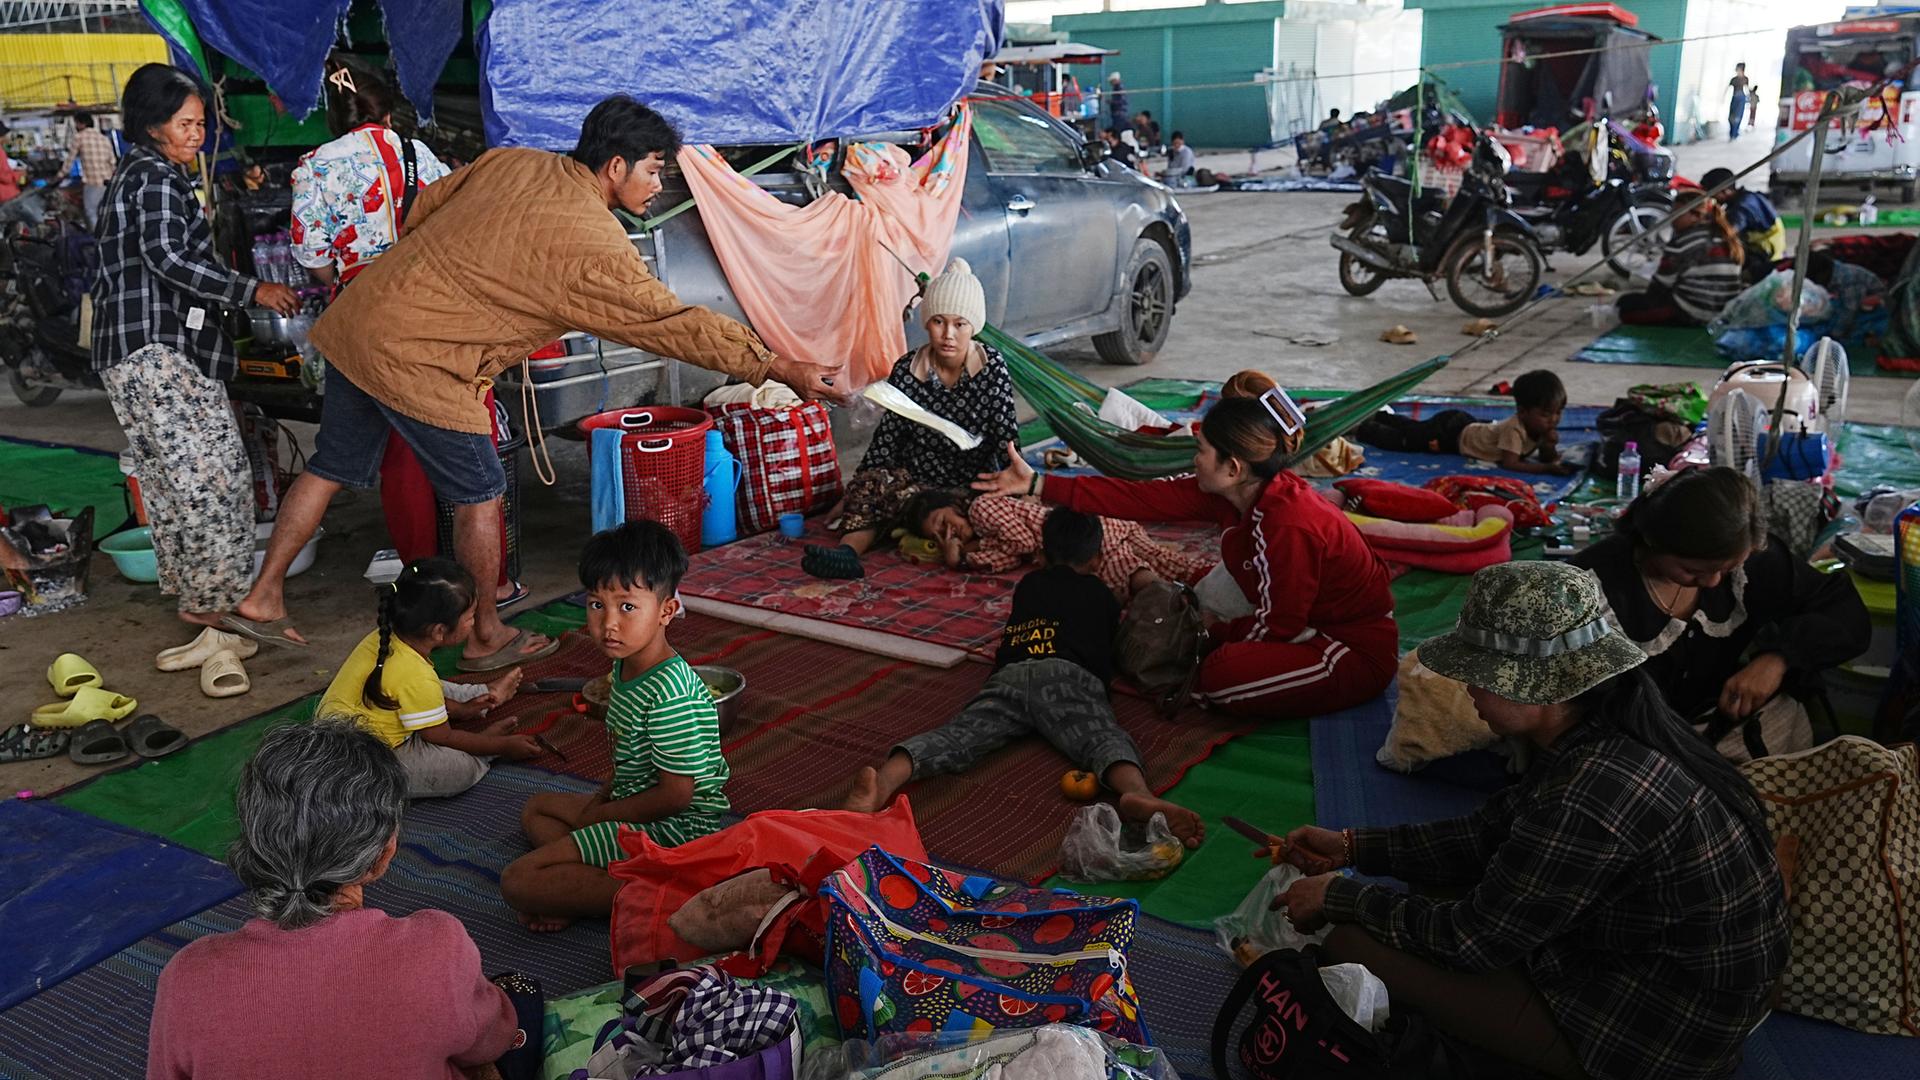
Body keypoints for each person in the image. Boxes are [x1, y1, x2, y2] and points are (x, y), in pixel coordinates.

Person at [236, 94, 837, 666]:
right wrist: (775, 365)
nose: (658, 185)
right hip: (424, 360)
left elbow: (422, 211)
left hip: (359, 321)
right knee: (480, 493)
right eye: (654, 171)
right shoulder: (595, 242)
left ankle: (263, 596)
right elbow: (670, 322)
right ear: (617, 165)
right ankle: (486, 635)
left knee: (330, 466)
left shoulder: (511, 161)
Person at [1274, 561, 1788, 1080]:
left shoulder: (1593, 793)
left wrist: (1340, 897)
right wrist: (1352, 846)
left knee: (1349, 946)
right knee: (1432, 885)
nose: (1468, 686)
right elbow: (1486, 834)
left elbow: (1470, 941)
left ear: (1535, 684)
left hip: (1656, 1033)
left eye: (1480, 673)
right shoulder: (1607, 728)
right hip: (1662, 978)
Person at [975, 390, 1398, 718]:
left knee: (1219, 678)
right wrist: (1039, 485)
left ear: (1233, 467)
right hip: (1294, 616)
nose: (1194, 460)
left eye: (1201, 451)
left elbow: (1280, 625)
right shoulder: (1233, 493)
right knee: (1201, 616)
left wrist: (1214, 634)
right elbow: (1138, 499)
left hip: (1349, 647)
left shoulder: (1287, 524)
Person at [146, 719, 521, 1079]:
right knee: (518, 996)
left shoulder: (186, 976)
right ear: (383, 855)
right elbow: (492, 1040)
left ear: (253, 848)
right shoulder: (439, 946)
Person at [91, 65, 302, 663]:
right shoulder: (155, 177)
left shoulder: (138, 173)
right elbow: (168, 258)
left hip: (131, 354)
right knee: (213, 478)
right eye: (185, 123)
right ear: (152, 125)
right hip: (156, 351)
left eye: (201, 123)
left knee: (174, 482)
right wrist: (252, 290)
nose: (196, 134)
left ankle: (205, 608)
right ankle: (215, 609)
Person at [290, 59, 518, 609]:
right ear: (388, 112)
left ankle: (422, 579)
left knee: (396, 454)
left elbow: (314, 261)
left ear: (335, 117)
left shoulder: (314, 167)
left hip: (361, 322)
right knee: (471, 452)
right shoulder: (420, 156)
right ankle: (492, 592)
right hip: (432, 315)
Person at [844, 507, 1204, 846]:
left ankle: (884, 781)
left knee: (958, 735)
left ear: (1042, 556)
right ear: (1097, 560)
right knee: (1101, 736)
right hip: (1068, 676)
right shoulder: (1103, 595)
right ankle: (1137, 793)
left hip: (1012, 674)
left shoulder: (1029, 584)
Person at [503, 521, 729, 932]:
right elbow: (629, 758)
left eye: (627, 607)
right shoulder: (626, 668)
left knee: (517, 880)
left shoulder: (671, 693)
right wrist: (601, 801)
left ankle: (655, 888)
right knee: (537, 807)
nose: (608, 623)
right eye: (596, 604)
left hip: (674, 832)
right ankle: (578, 886)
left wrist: (603, 815)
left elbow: (677, 795)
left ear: (666, 611)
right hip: (633, 803)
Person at [1571, 467, 1869, 762]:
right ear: (1653, 541)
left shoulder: (1744, 562)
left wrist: (1778, 659)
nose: (1713, 582)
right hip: (1628, 748)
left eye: (1726, 569)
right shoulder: (1586, 591)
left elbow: (1842, 609)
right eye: (1692, 570)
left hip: (1715, 730)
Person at [802, 258, 1017, 579]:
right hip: (914, 484)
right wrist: (856, 490)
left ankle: (957, 545)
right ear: (927, 322)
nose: (948, 334)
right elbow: (888, 438)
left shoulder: (991, 368)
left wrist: (1019, 489)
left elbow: (1006, 439)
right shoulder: (907, 369)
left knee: (994, 511)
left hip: (970, 485)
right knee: (871, 484)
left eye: (960, 324)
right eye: (938, 321)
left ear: (974, 327)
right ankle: (847, 555)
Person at [320, 557, 540, 799]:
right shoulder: (416, 676)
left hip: (341, 732)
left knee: (434, 687)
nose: (474, 623)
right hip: (362, 763)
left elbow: (414, 692)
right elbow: (441, 737)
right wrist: (501, 746)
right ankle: (481, 751)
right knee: (461, 770)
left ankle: (484, 695)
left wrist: (461, 710)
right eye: (470, 617)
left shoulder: (385, 638)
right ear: (439, 631)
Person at [903, 489, 1214, 600]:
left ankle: (1180, 603)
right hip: (1094, 533)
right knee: (1164, 563)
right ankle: (1211, 581)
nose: (949, 532)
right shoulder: (987, 538)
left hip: (1086, 534)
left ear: (953, 506)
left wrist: (969, 552)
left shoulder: (980, 508)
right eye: (938, 535)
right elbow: (1011, 558)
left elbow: (1023, 543)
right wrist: (960, 560)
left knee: (1132, 573)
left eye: (944, 521)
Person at [1355, 368, 1577, 476]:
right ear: (1523, 411)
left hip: (1465, 425)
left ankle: (1381, 416)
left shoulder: (1538, 428)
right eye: (1546, 414)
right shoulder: (1514, 429)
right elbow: (1510, 463)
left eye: (1558, 412)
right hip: (1449, 433)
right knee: (1405, 440)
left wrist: (1549, 446)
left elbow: (1547, 456)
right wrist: (1547, 468)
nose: (1554, 419)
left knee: (1414, 428)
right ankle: (1363, 427)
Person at [1615, 186, 1745, 326]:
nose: (1672, 218)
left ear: (1695, 216)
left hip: (1694, 312)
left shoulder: (1684, 242)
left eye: (1677, 213)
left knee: (1626, 306)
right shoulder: (1722, 236)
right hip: (1723, 311)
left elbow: (1660, 286)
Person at [1702, 166, 1785, 271]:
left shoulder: (1743, 206)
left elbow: (1727, 231)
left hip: (1763, 257)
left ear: (1725, 190)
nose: (1712, 199)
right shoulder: (1747, 197)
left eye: (1713, 195)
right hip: (1768, 251)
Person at [1806, 249, 1886, 339]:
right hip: (1849, 298)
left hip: (1872, 301)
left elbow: (1849, 311)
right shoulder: (1836, 271)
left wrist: (1834, 335)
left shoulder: (1848, 282)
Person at [63, 111, 118, 225]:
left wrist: (59, 176)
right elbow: (112, 162)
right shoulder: (103, 138)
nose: (76, 127)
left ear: (81, 124)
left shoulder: (79, 137)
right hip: (108, 182)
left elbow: (69, 161)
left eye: (76, 123)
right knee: (107, 212)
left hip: (93, 182)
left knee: (91, 211)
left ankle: (97, 235)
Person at [1728, 62, 1751, 139]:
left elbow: (1746, 89)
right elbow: (1728, 88)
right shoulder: (1734, 79)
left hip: (1741, 98)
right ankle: (1732, 133)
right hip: (1734, 97)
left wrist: (1748, 98)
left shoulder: (1745, 79)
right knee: (1731, 117)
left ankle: (1735, 133)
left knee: (1738, 117)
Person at [1107, 71, 1130, 136]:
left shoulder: (1119, 88)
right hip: (1118, 114)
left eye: (1111, 81)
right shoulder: (1116, 88)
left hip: (1119, 114)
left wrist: (1112, 102)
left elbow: (1121, 101)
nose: (1111, 83)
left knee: (1118, 130)